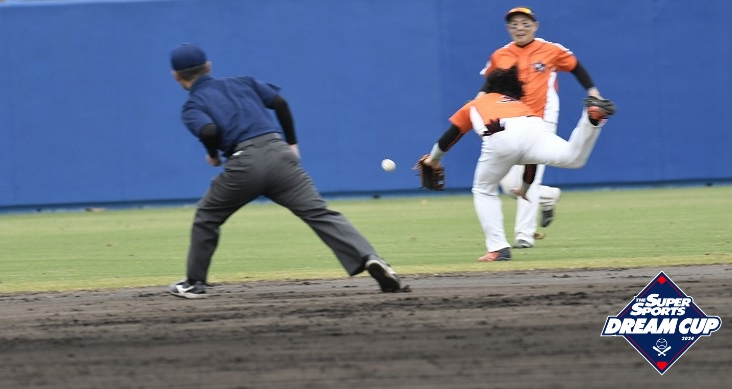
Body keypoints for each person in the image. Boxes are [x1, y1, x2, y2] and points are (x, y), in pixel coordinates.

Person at [166, 43, 402, 298]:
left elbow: (209, 130)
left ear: (176, 76)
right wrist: (292, 143)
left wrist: (212, 155)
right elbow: (279, 103)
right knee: (320, 213)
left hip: (244, 164)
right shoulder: (243, 82)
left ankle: (195, 283)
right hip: (280, 155)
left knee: (207, 216)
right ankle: (370, 258)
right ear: (208, 67)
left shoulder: (192, 106)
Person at [422, 66, 615, 261]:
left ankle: (498, 247)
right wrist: (524, 188)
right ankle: (590, 119)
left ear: (490, 87)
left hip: (500, 134)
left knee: (483, 189)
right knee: (573, 158)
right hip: (533, 126)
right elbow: (532, 160)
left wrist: (433, 159)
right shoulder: (519, 104)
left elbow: (451, 136)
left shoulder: (476, 103)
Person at [478, 6, 606, 249]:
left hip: (542, 119)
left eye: (525, 23)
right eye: (514, 24)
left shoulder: (551, 50)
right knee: (509, 186)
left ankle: (524, 235)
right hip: (512, 120)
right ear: (508, 29)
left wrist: (593, 91)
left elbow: (575, 66)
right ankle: (549, 196)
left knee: (531, 175)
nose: (520, 28)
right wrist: (479, 102)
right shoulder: (500, 55)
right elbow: (489, 84)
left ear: (535, 26)